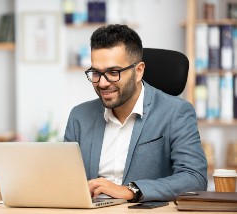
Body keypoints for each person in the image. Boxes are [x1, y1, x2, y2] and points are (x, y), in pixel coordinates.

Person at [64, 24, 207, 202]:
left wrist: (131, 190)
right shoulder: (79, 116)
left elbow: (194, 178)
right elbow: (65, 180)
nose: (102, 83)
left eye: (113, 72)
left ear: (138, 71)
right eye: (96, 73)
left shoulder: (175, 113)